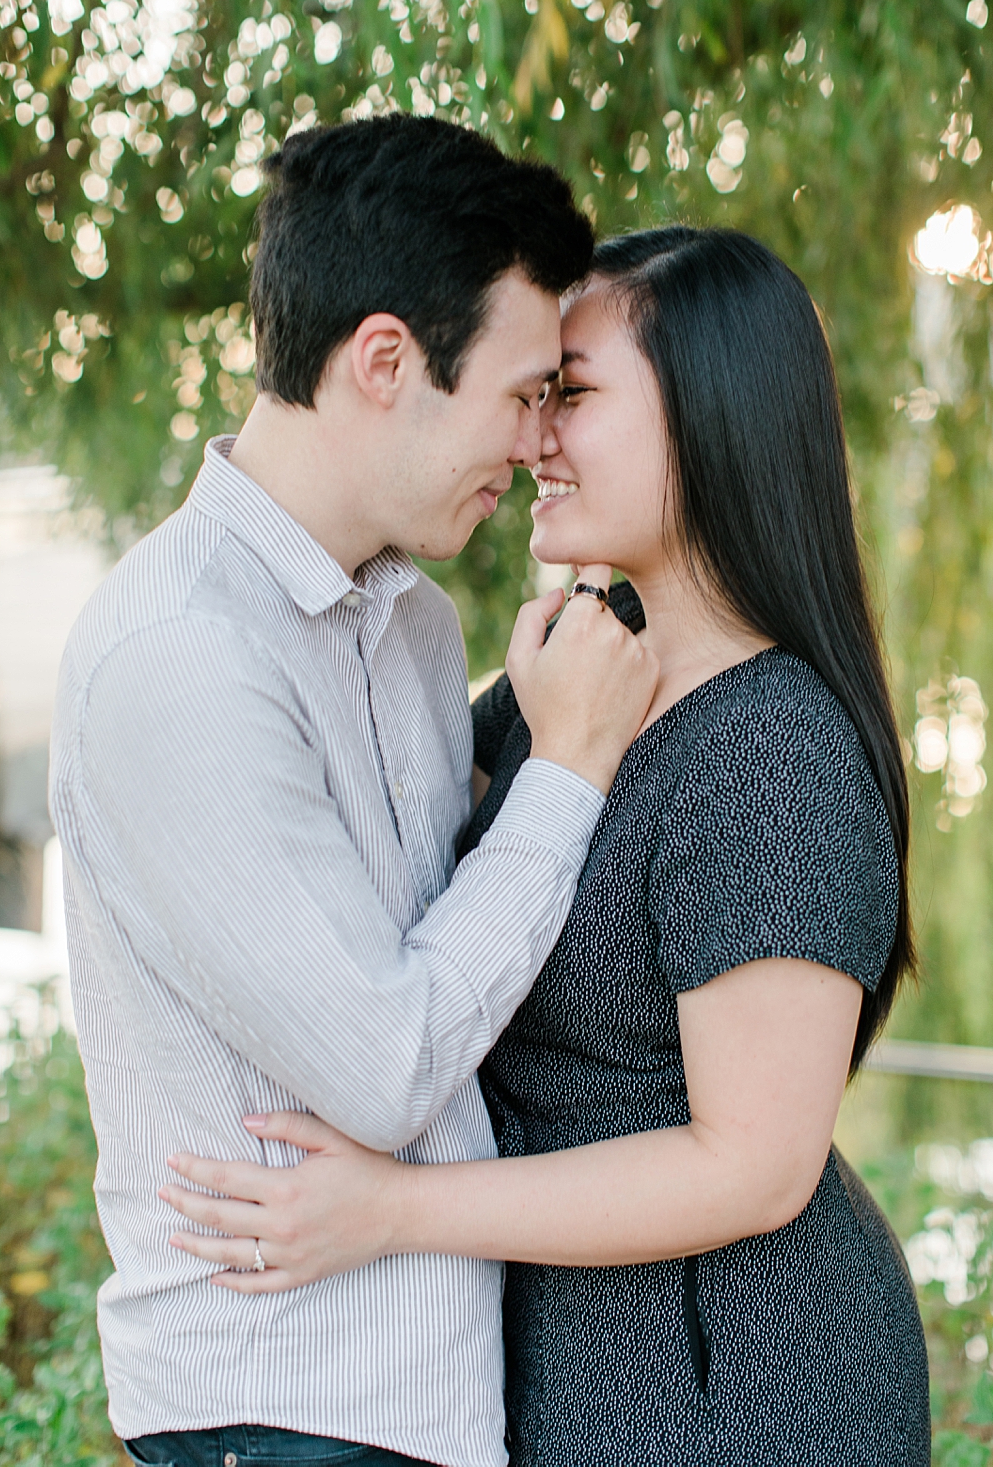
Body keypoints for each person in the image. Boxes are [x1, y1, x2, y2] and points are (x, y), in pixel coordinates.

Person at [163, 227, 932, 1466]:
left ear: (711, 419)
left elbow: (753, 1167)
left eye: (569, 395)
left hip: (736, 1392)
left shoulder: (772, 750)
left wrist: (394, 1211)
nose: (530, 438)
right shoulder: (562, 683)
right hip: (565, 1373)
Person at [48, 117, 659, 1467]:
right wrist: (565, 770)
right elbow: (386, 1066)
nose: (536, 445)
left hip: (433, 1402)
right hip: (279, 1410)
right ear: (385, 361)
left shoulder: (419, 626)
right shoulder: (180, 660)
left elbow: (457, 972)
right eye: (519, 395)